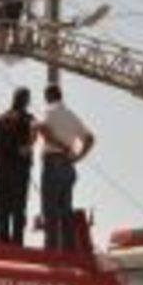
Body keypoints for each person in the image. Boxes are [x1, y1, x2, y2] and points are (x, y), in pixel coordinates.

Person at [38, 84, 95, 253]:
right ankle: (69, 251)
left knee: (50, 210)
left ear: (48, 96)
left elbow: (43, 129)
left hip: (53, 161)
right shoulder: (71, 115)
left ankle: (51, 252)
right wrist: (78, 157)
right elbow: (90, 138)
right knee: (65, 210)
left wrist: (62, 146)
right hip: (67, 165)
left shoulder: (49, 111)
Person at [0, 87, 36, 245]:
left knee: (3, 209)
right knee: (18, 209)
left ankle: (3, 244)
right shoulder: (29, 119)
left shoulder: (1, 119)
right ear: (26, 101)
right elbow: (33, 139)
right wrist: (25, 149)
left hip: (2, 170)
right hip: (20, 171)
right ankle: (17, 245)